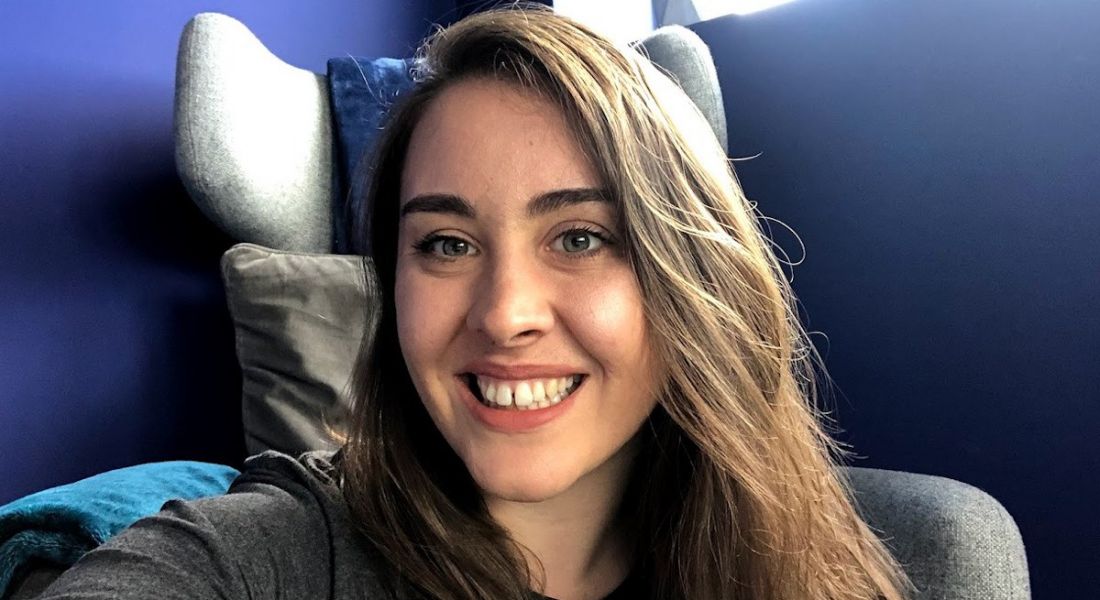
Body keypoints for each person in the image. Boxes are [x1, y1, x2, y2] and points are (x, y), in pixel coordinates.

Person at [39, 6, 912, 600]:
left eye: (579, 236)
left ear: (690, 271)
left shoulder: (832, 557)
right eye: (446, 246)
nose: (503, 314)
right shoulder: (277, 553)